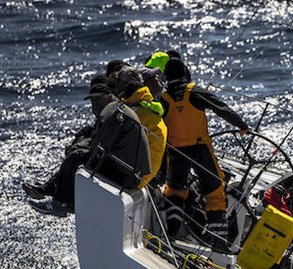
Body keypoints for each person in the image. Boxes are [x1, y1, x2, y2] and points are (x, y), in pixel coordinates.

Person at [159, 57, 250, 247]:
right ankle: (218, 240)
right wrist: (241, 125)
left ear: (166, 77)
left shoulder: (163, 99)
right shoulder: (194, 92)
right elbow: (221, 108)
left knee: (175, 191)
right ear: (185, 73)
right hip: (201, 150)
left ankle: (172, 231)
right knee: (214, 192)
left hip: (177, 152)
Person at [27, 79, 151, 216]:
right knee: (77, 151)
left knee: (76, 156)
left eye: (98, 99)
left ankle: (60, 202)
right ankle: (50, 190)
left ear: (109, 97)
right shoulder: (117, 109)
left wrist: (75, 151)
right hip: (132, 172)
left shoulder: (111, 113)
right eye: (92, 101)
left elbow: (98, 149)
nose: (94, 105)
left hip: (126, 175)